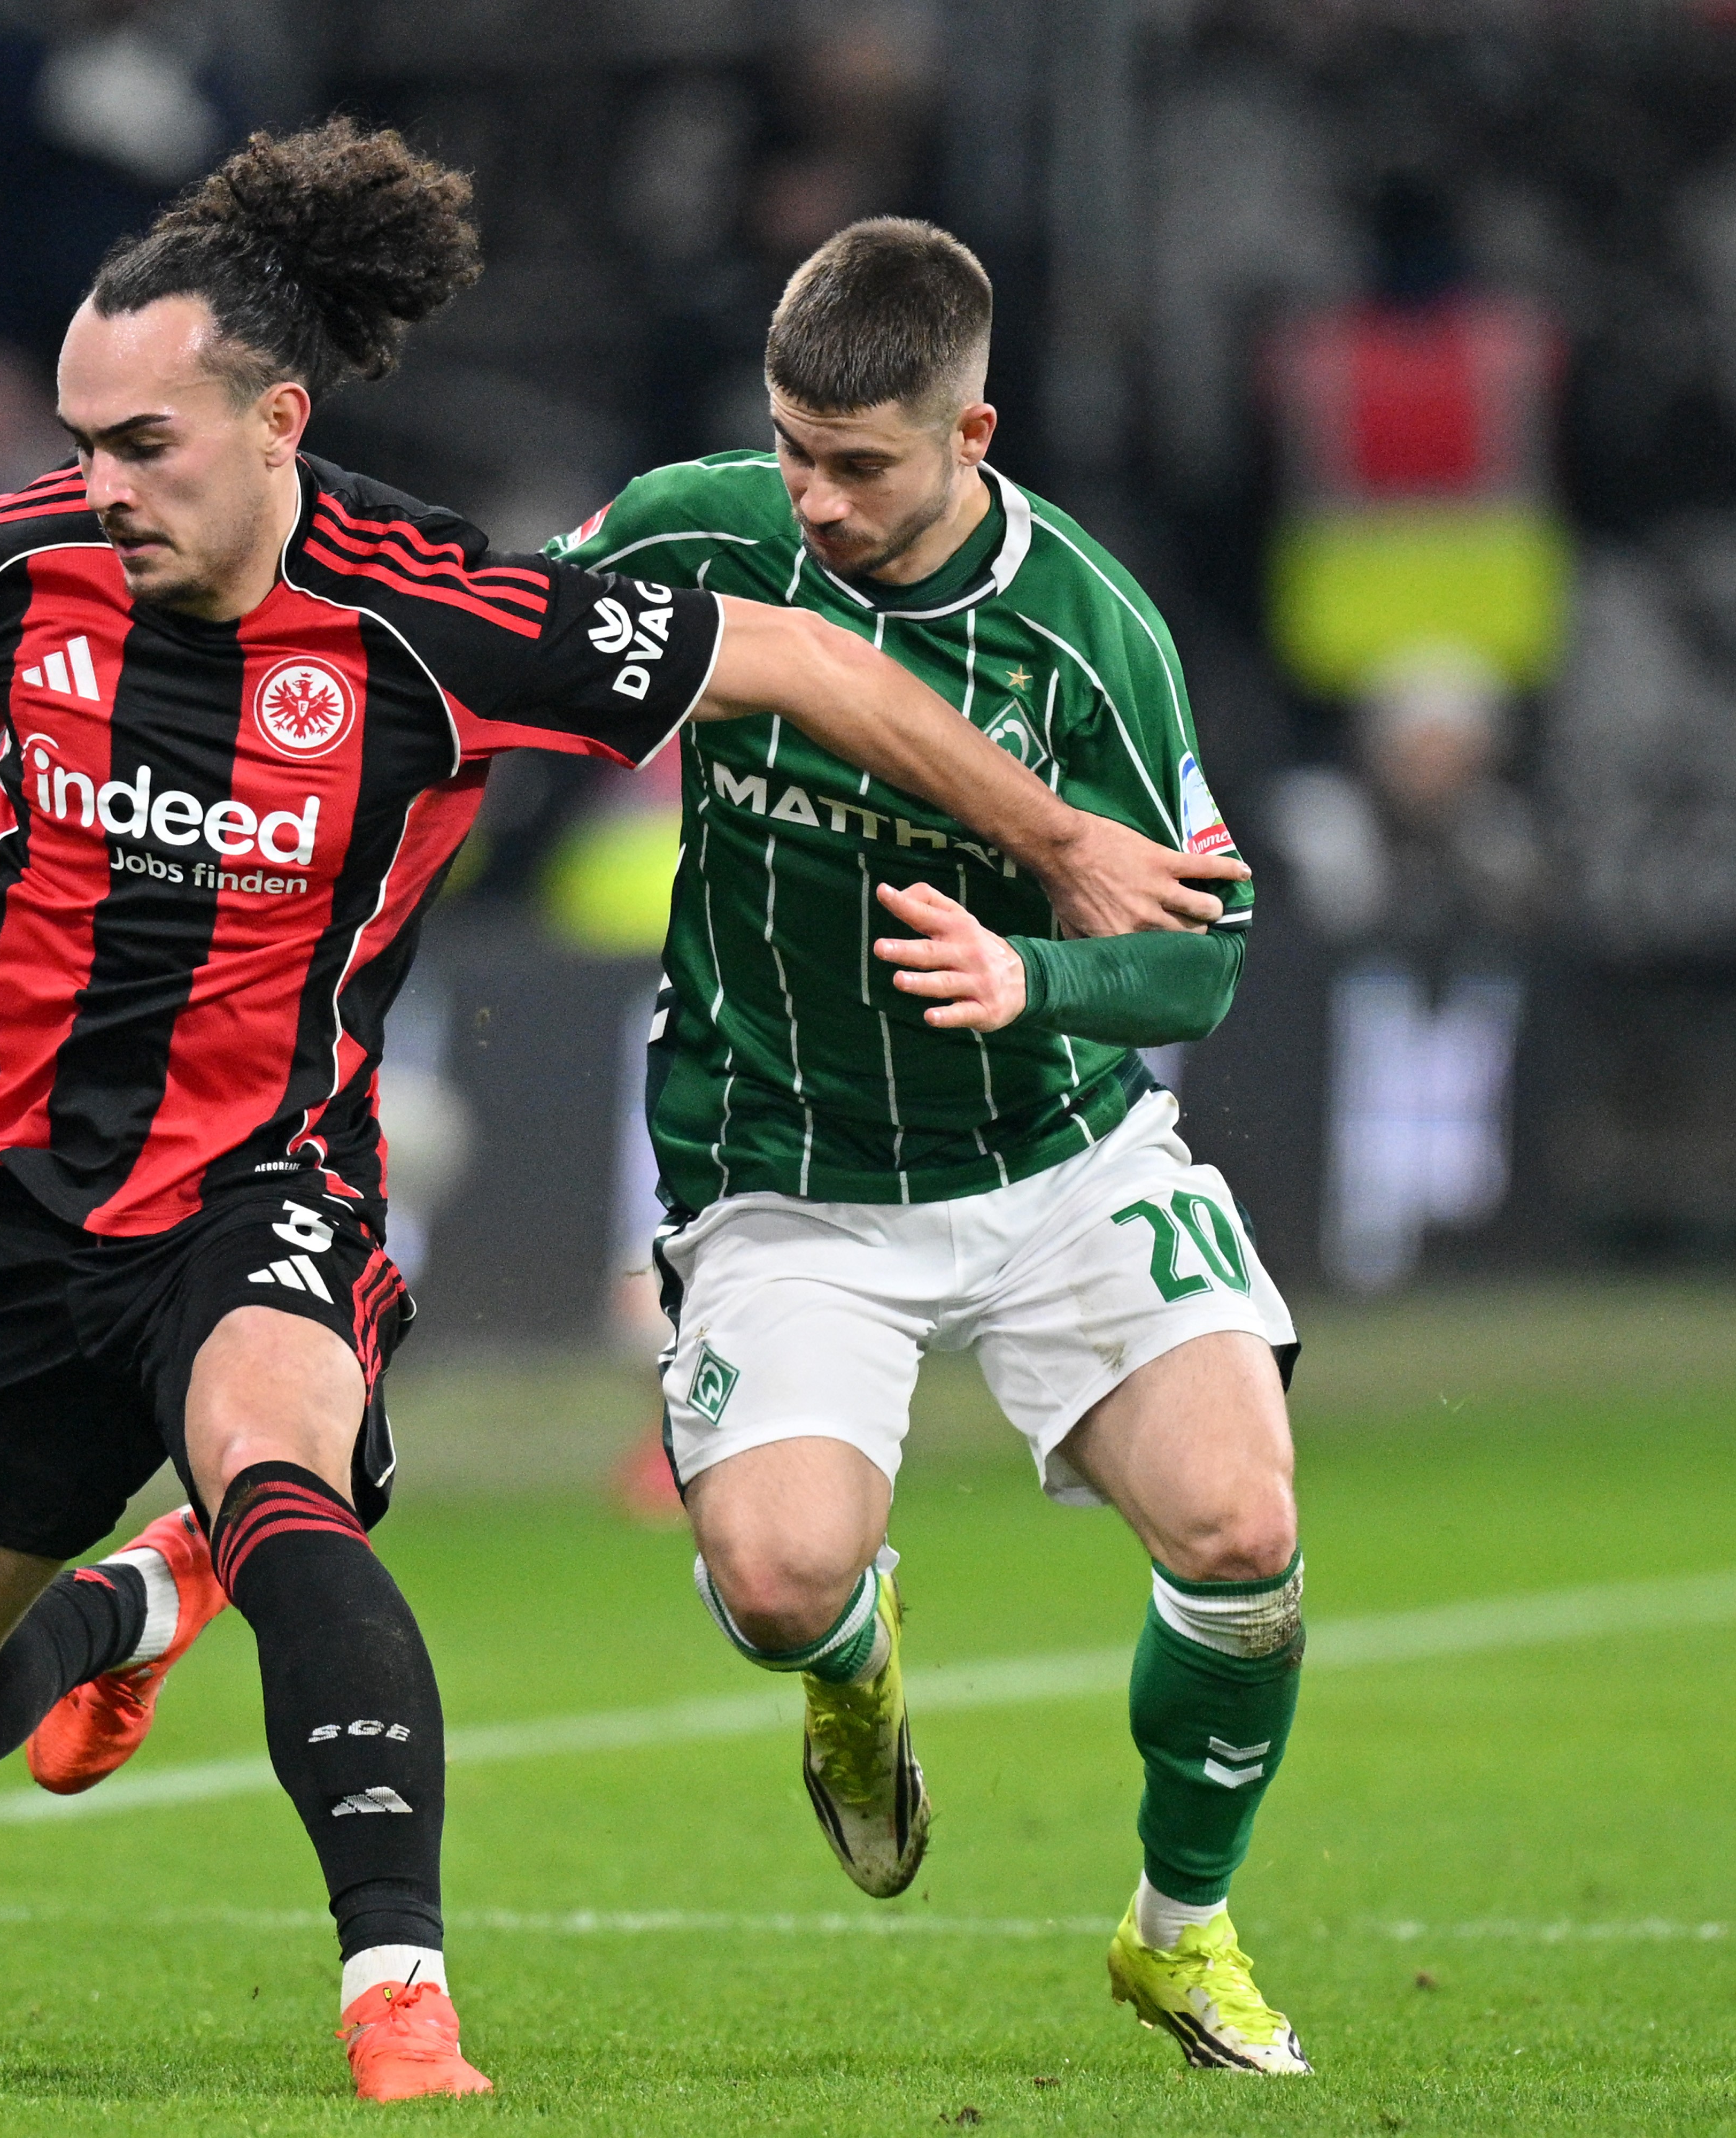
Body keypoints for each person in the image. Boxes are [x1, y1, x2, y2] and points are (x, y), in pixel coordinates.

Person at [0, 129, 1236, 2101]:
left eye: (144, 443)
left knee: (278, 1479)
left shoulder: (439, 619)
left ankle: (399, 1999)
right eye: (81, 439)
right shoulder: (13, 568)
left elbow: (791, 657)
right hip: (4, 1217)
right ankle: (125, 1605)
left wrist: (1057, 841)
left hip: (265, 1189)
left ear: (276, 419)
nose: (98, 486)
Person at [547, 219, 1313, 2074]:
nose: (812, 498)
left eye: (861, 465)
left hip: (1061, 1165)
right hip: (788, 1170)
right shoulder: (690, 525)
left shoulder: (1096, 639)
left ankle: (1178, 1932)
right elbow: (505, 662)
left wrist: (1033, 973)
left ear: (977, 433)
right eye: (792, 449)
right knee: (784, 1576)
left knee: (1244, 1532)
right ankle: (846, 1655)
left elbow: (1197, 969)